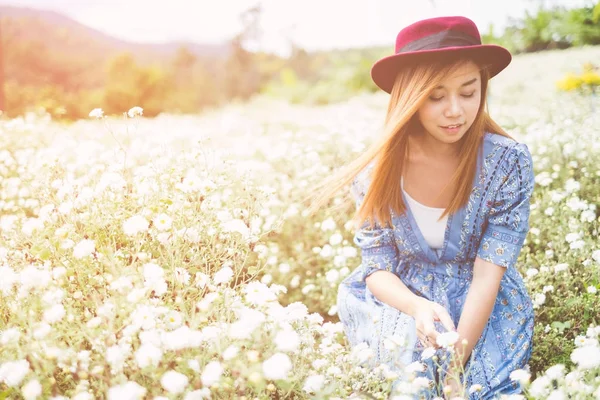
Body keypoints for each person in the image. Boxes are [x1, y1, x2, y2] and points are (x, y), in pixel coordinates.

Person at [316, 16, 536, 399]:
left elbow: (488, 273)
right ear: (409, 97)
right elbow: (376, 268)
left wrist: (456, 363)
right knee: (411, 389)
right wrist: (417, 307)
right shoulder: (376, 171)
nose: (455, 110)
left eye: (469, 93)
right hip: (403, 298)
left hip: (482, 306)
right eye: (436, 96)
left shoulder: (507, 161)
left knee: (478, 390)